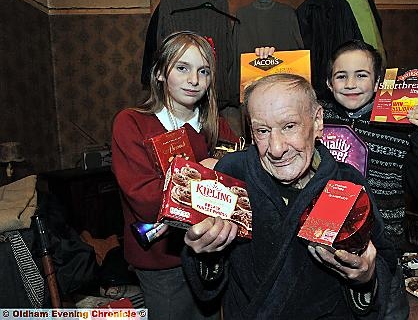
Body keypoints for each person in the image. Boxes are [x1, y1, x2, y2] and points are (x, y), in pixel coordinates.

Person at [181, 74, 398, 319]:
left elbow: (385, 261)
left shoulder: (347, 183)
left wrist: (366, 278)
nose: (276, 148)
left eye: (289, 126)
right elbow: (207, 286)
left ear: (317, 122)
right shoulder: (233, 174)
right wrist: (205, 252)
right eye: (262, 130)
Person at [111, 31, 238, 320]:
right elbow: (145, 198)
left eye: (203, 71)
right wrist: (209, 171)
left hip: (213, 253)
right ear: (159, 73)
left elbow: (238, 190)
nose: (194, 80)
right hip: (162, 262)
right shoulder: (132, 123)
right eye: (183, 68)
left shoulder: (218, 127)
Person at [322, 40, 418, 319]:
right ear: (329, 84)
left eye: (361, 75)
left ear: (378, 82)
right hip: (323, 245)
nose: (351, 83)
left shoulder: (401, 124)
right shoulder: (315, 118)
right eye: (341, 76)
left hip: (384, 249)